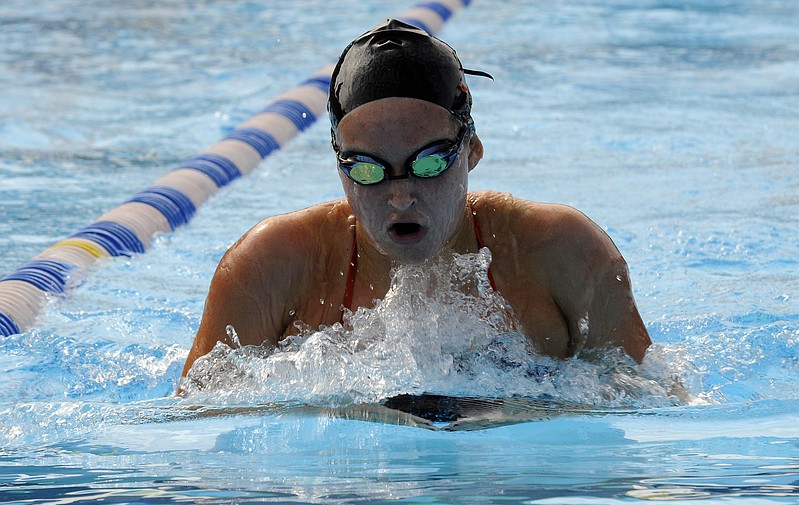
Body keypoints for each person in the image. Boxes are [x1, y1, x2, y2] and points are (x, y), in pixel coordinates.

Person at [180, 19, 651, 390]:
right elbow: (195, 429)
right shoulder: (270, 266)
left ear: (472, 151)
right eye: (368, 169)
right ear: (340, 169)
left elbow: (652, 402)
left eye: (428, 163)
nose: (401, 196)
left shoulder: (561, 251)